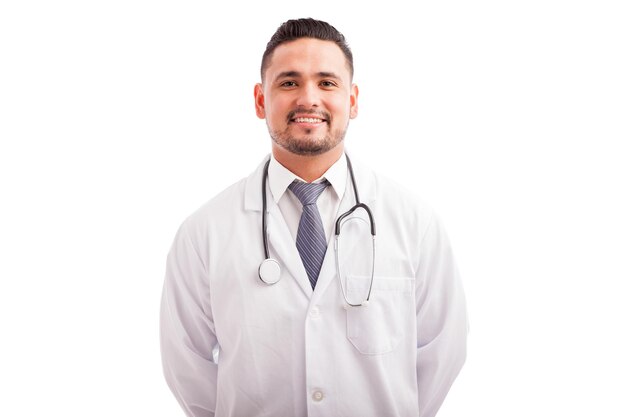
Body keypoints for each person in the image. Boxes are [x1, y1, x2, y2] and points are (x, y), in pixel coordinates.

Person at [160, 18, 467, 417]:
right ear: (260, 100)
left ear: (352, 100)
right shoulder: (204, 232)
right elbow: (187, 362)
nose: (308, 98)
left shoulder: (414, 222)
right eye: (289, 83)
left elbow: (443, 349)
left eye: (327, 83)